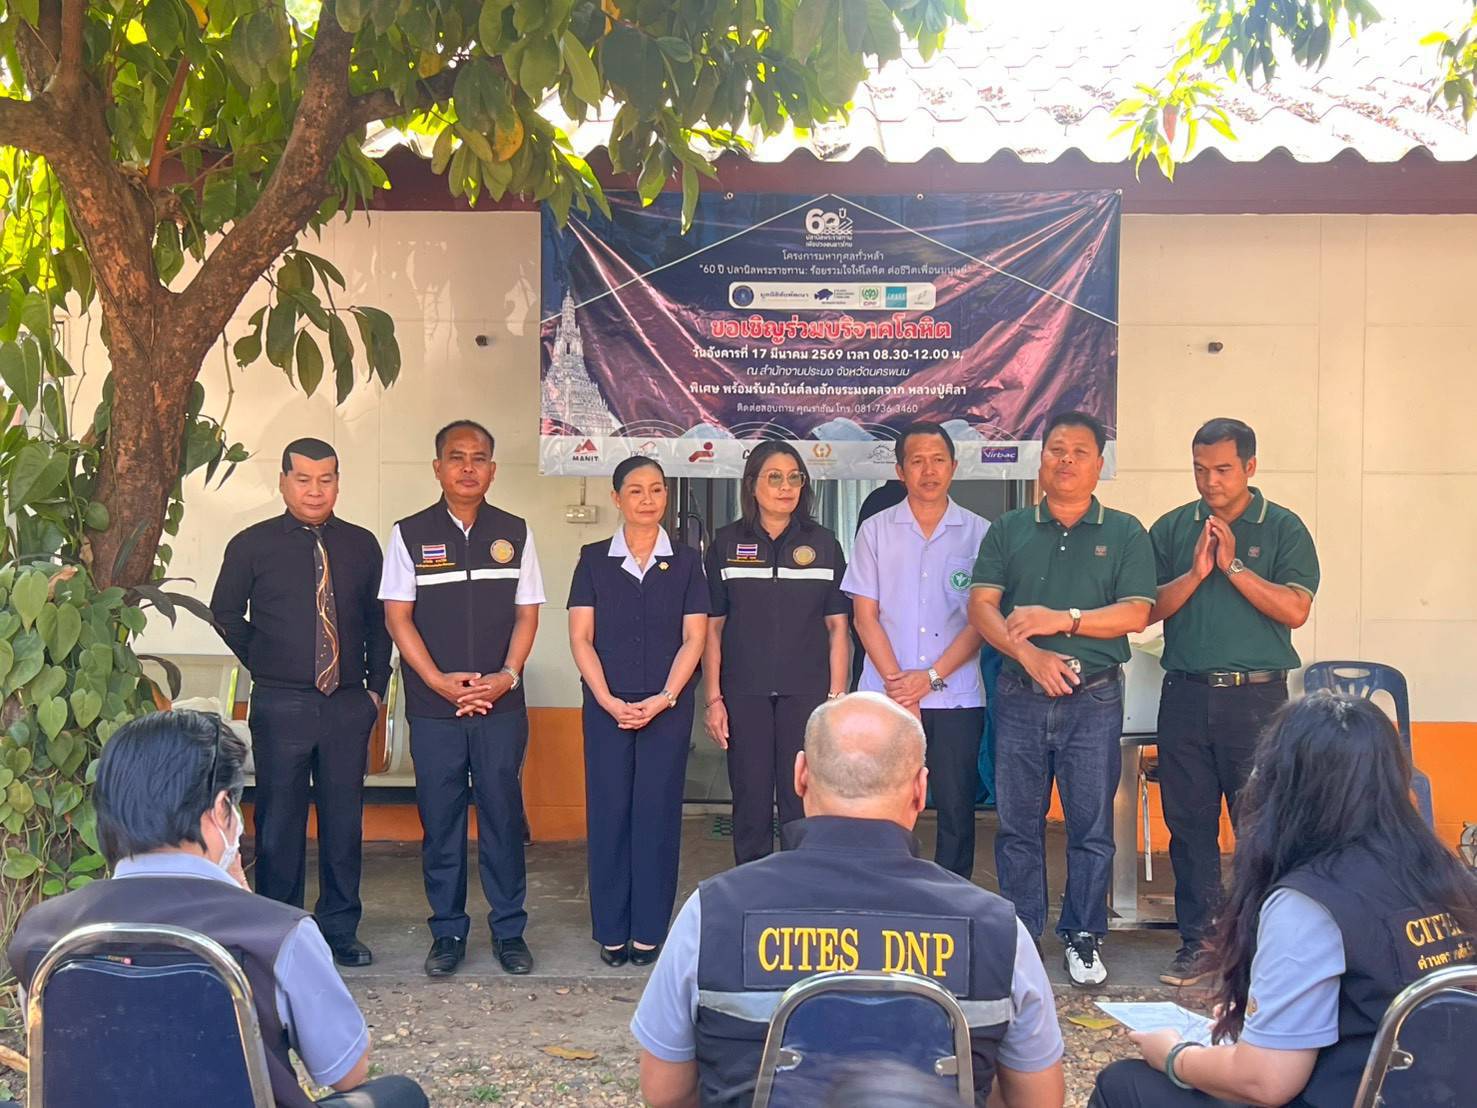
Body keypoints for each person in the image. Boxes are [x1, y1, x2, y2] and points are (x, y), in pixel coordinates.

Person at [630, 693, 1066, 1108]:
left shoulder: (712, 912)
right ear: (920, 788)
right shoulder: (998, 928)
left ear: (800, 775)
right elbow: (1038, 1099)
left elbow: (666, 1092)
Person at [6, 711, 427, 1108]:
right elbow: (347, 1073)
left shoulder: (43, 931)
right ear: (221, 809)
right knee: (400, 1094)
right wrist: (244, 896)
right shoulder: (278, 932)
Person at [1092, 693, 1477, 1107]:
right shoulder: (1446, 874)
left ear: (1283, 782)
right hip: (1442, 1092)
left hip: (1356, 1096)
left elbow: (1266, 1082)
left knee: (1124, 1084)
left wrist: (1174, 1056)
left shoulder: (1311, 901)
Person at [967, 410, 1155, 987]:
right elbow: (981, 607)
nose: (1066, 460)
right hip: (1021, 694)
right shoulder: (1009, 529)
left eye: (1079, 452)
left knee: (1090, 826)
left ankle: (1083, 934)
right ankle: (1023, 934)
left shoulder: (1125, 532)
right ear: (1040, 460)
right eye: (1056, 450)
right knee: (1017, 824)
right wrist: (1029, 656)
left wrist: (1063, 620)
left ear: (1099, 464)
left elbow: (1136, 613)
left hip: (1093, 698)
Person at [1147, 418, 1320, 987]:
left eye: (1222, 469)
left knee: (1259, 825)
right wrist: (1197, 572)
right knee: (1189, 825)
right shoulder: (1174, 527)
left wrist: (1233, 566)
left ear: (1250, 466)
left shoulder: (1284, 527)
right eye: (1200, 469)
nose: (1210, 481)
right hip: (1186, 695)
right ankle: (1198, 945)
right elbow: (1145, 609)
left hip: (1257, 699)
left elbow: (1295, 609)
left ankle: (1260, 946)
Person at [209, 437, 390, 967]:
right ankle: (278, 932)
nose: (315, 490)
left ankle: (339, 930)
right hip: (281, 702)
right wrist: (265, 661)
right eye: (304, 479)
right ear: (283, 481)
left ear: (338, 483)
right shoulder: (252, 544)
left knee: (343, 822)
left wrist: (375, 689)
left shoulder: (361, 545)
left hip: (347, 704)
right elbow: (224, 612)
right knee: (279, 821)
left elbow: (380, 622)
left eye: (326, 479)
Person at [379, 420, 544, 977]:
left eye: (478, 458)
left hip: (500, 706)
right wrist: (437, 681)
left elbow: (527, 615)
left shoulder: (515, 533)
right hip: (435, 710)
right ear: (438, 468)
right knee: (441, 823)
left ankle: (509, 931)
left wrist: (507, 676)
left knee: (503, 819)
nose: (468, 467)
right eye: (457, 457)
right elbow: (398, 618)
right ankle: (447, 932)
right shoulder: (408, 534)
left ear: (492, 470)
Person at [568, 456, 709, 967]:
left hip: (665, 708)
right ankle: (611, 928)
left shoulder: (688, 562)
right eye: (636, 490)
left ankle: (648, 928)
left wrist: (665, 697)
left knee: (656, 814)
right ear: (617, 498)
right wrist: (607, 699)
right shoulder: (593, 560)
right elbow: (581, 637)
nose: (647, 499)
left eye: (656, 489)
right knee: (609, 813)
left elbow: (695, 637)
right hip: (606, 707)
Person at [841, 422, 988, 879]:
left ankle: (951, 897)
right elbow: (865, 617)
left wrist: (930, 678)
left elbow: (982, 620)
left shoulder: (980, 533)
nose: (929, 470)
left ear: (954, 466)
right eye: (917, 461)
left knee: (957, 808)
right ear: (900, 471)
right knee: (878, 803)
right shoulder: (875, 531)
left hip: (956, 696)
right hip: (885, 696)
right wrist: (900, 686)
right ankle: (880, 890)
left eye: (938, 460)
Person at [703, 442, 851, 863]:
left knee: (801, 800)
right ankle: (753, 891)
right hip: (743, 693)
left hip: (807, 694)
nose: (786, 487)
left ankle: (799, 889)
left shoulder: (823, 544)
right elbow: (712, 628)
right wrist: (713, 699)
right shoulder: (726, 543)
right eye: (774, 477)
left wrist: (836, 698)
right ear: (752, 485)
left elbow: (839, 627)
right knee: (749, 801)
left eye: (794, 478)